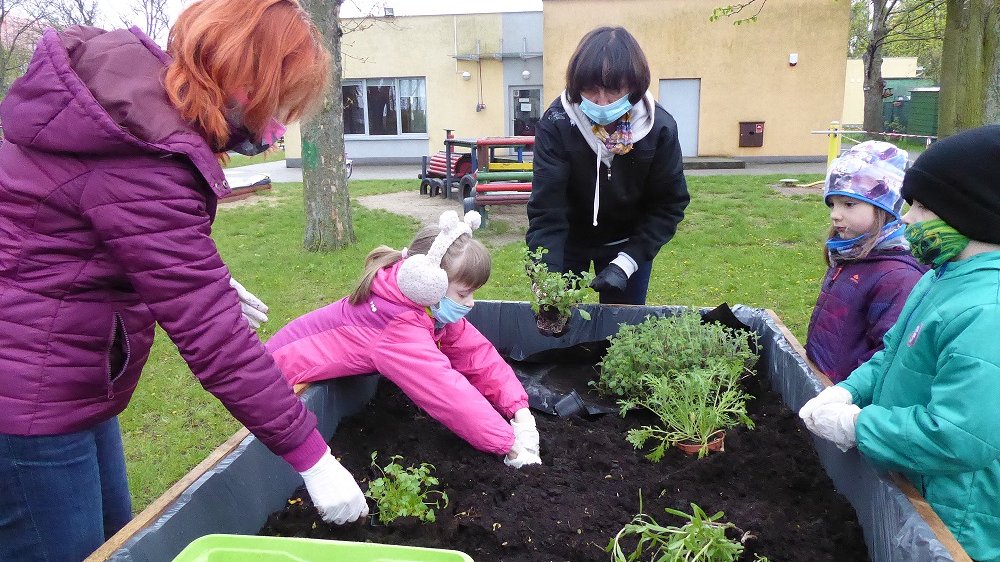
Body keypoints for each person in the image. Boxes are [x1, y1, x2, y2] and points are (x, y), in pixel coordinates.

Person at [0, 2, 367, 560]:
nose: (272, 130)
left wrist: (204, 282)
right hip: (27, 393)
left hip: (63, 373)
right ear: (241, 75)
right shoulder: (145, 151)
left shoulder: (126, 101)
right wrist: (314, 459)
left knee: (112, 541)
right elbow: (217, 343)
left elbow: (76, 238)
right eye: (275, 102)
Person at [799, 125, 1000, 562]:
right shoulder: (939, 278)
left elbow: (957, 436)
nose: (906, 218)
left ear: (973, 213)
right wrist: (848, 390)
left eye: (923, 206)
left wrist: (858, 427)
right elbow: (891, 353)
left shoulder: (988, 311)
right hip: (914, 480)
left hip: (959, 518)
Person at [266, 210, 542, 469]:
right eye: (462, 294)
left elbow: (477, 355)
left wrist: (520, 410)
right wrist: (510, 446)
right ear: (428, 281)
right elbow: (446, 393)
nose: (470, 304)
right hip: (275, 383)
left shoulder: (421, 303)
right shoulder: (398, 327)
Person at [525, 26, 690, 305]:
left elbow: (668, 205)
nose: (601, 103)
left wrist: (627, 263)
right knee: (559, 320)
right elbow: (546, 210)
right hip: (567, 242)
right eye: (590, 90)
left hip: (627, 243)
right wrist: (547, 283)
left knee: (620, 328)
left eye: (613, 91)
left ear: (634, 87)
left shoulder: (658, 128)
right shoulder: (557, 125)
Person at [805, 141, 926, 383]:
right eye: (833, 203)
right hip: (822, 382)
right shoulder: (851, 254)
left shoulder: (898, 277)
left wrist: (847, 396)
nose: (835, 214)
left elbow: (888, 354)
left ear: (886, 208)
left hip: (848, 400)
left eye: (849, 204)